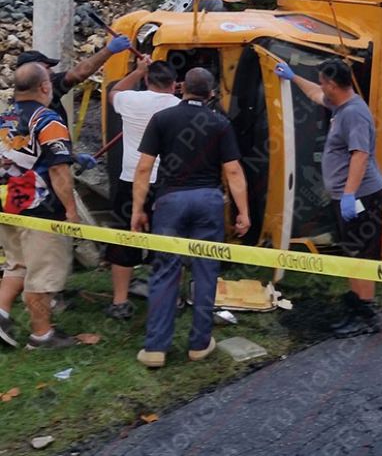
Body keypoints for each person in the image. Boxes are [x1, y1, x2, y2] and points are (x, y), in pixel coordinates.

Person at [132, 68, 250, 368]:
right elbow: (233, 171)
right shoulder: (220, 123)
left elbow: (144, 168)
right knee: (206, 270)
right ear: (211, 93)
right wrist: (243, 212)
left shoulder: (162, 119)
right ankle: (199, 344)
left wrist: (137, 210)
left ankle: (156, 349)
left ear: (182, 88)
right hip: (208, 201)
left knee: (165, 271)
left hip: (170, 201)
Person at [274, 58, 382, 338]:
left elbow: (360, 154)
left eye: (324, 81)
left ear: (334, 84)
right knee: (352, 253)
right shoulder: (341, 103)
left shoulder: (353, 114)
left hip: (362, 196)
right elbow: (315, 93)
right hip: (347, 196)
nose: (321, 86)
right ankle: (357, 308)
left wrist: (349, 195)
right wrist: (292, 77)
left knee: (361, 256)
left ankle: (365, 314)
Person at [0, 63, 79, 350]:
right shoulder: (49, 119)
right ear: (45, 87)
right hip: (42, 208)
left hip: (10, 203)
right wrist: (70, 209)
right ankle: (42, 334)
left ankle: (1, 316)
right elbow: (58, 171)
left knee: (17, 265)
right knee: (44, 273)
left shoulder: (4, 119)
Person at [104, 58, 180, 320]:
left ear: (147, 81)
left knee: (124, 240)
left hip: (131, 180)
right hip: (167, 184)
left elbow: (111, 93)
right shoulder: (179, 107)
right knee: (168, 241)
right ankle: (169, 297)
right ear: (174, 84)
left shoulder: (130, 100)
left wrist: (136, 71)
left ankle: (120, 302)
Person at [14, 33, 132, 124]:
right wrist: (109, 50)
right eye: (48, 68)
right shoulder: (46, 87)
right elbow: (80, 73)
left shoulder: (14, 107)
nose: (52, 72)